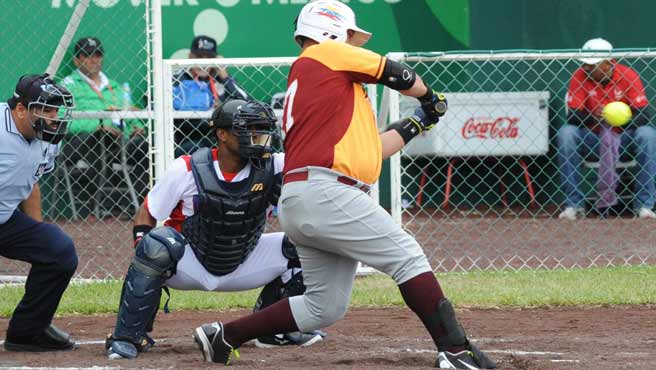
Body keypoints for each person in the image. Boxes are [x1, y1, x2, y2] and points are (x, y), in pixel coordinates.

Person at [192, 1, 496, 369]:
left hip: (310, 196)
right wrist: (429, 96)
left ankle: (224, 335)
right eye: (350, 35)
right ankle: (455, 349)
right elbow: (396, 73)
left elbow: (375, 148)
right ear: (330, 30)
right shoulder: (325, 54)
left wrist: (420, 121)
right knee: (407, 257)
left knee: (324, 307)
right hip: (328, 192)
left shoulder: (325, 84)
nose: (354, 43)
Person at [105, 99, 324, 359]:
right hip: (190, 263)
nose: (260, 138)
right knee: (156, 244)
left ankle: (275, 330)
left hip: (245, 258)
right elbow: (147, 213)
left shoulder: (275, 165)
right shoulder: (186, 168)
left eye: (262, 130)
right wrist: (143, 261)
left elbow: (318, 163)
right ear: (222, 134)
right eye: (250, 130)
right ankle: (127, 336)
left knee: (303, 243)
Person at [0, 73, 78, 352]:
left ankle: (27, 331)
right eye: (45, 109)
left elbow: (31, 182)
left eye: (56, 109)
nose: (54, 116)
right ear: (20, 109)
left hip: (5, 218)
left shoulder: (48, 137)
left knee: (58, 251)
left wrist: (37, 237)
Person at [558, 38, 656, 220]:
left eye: (592, 64)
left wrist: (618, 121)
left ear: (609, 63)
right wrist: (599, 118)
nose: (587, 67)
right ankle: (574, 205)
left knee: (648, 134)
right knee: (566, 133)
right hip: (593, 138)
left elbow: (643, 114)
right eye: (586, 63)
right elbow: (572, 116)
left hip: (625, 139)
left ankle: (645, 205)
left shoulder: (628, 75)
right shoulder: (579, 75)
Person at [61, 36, 149, 211]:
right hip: (83, 143)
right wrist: (96, 126)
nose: (93, 60)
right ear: (76, 60)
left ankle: (140, 208)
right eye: (87, 55)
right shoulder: (67, 86)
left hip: (119, 142)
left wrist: (137, 127)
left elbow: (128, 112)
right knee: (102, 136)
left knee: (145, 146)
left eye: (97, 55)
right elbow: (61, 120)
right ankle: (102, 205)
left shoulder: (115, 87)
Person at [173, 35, 249, 157]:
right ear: (189, 57)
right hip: (185, 136)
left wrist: (225, 76)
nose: (203, 62)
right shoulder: (177, 79)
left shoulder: (222, 79)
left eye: (208, 57)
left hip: (218, 137)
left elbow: (247, 102)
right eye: (199, 56)